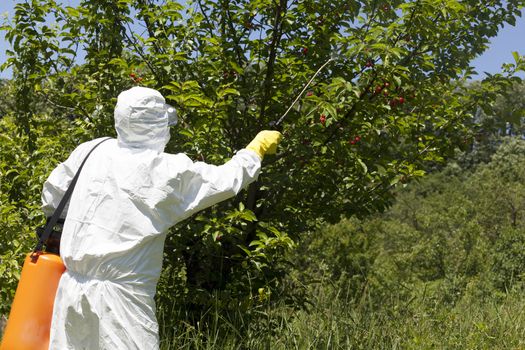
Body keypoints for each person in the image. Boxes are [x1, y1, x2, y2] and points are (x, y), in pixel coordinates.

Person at [41, 86, 282, 349]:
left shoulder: (92, 150)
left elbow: (52, 198)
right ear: (156, 124)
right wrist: (254, 150)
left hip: (71, 288)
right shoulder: (163, 169)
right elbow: (223, 180)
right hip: (122, 300)